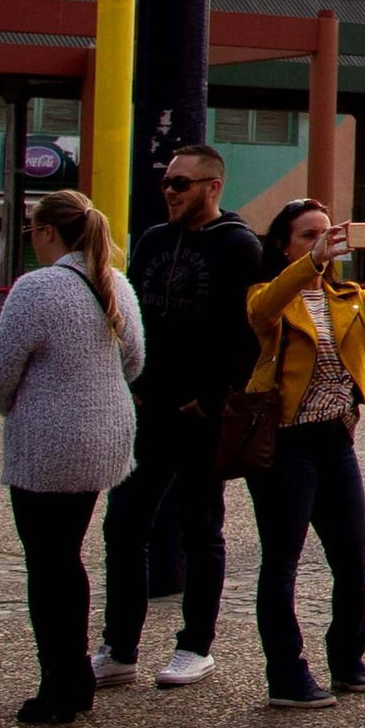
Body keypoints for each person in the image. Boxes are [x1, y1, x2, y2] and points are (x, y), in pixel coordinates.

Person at [242, 201, 365, 708]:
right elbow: (262, 311)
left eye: (329, 235)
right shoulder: (269, 295)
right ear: (284, 246)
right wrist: (310, 265)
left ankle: (347, 659)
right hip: (285, 441)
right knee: (282, 563)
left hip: (335, 440)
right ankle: (287, 675)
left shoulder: (348, 297)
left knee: (352, 560)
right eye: (308, 236)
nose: (325, 244)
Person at [93, 144, 260, 690]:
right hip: (148, 408)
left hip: (200, 415)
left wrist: (215, 397)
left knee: (200, 528)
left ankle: (195, 645)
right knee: (124, 524)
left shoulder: (239, 246)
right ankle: (119, 646)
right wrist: (131, 382)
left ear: (213, 186)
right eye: (167, 182)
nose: (170, 191)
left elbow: (247, 331)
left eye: (181, 183)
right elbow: (129, 313)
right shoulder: (153, 240)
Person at [0, 192, 145, 725]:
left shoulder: (38, 288)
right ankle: (74, 677)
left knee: (47, 563)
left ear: (48, 232)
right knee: (67, 556)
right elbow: (136, 360)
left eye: (33, 231)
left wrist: (13, 408)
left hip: (48, 444)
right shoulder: (115, 283)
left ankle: (60, 685)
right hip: (104, 438)